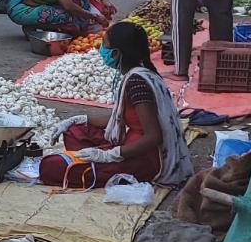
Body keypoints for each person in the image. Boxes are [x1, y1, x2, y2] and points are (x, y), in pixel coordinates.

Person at [40, 22, 194, 188]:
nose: (101, 49)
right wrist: (77, 119)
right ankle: (94, 159)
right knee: (74, 131)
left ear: (115, 53)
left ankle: (105, 167)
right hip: (129, 142)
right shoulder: (141, 73)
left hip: (144, 158)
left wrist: (110, 155)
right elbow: (122, 118)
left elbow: (154, 136)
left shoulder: (137, 82)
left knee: (49, 167)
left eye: (104, 45)